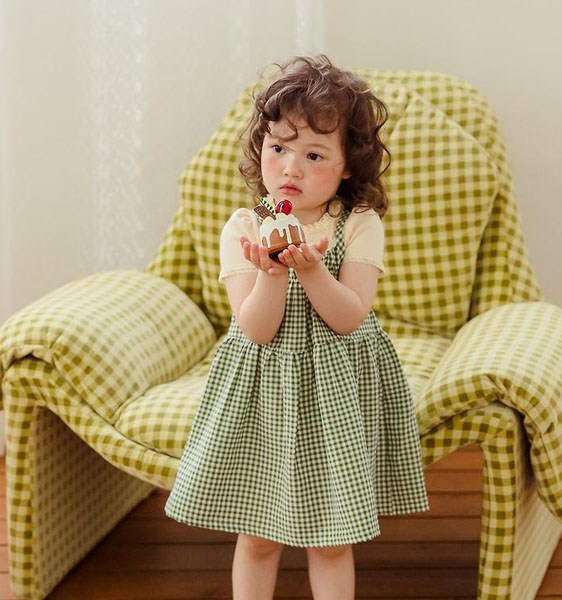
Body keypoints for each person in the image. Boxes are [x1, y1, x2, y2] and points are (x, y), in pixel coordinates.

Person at [164, 54, 430, 600]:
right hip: (264, 391)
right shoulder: (245, 226)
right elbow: (257, 330)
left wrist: (311, 270)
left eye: (314, 154)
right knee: (258, 535)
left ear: (348, 166)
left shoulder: (358, 223)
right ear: (260, 147)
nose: (291, 168)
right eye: (279, 148)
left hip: (339, 389)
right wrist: (273, 273)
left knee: (331, 541)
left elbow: (350, 317)